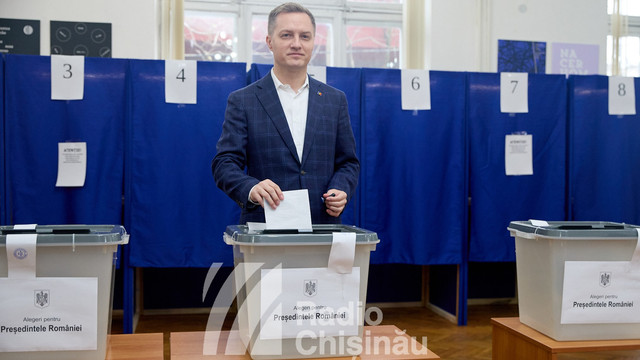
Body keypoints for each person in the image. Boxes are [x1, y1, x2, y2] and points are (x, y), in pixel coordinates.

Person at [212, 2, 359, 225]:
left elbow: (348, 163)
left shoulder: (334, 100)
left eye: (305, 36)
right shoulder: (243, 100)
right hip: (264, 226)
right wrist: (251, 188)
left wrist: (341, 188)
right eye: (287, 35)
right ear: (270, 42)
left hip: (323, 226)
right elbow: (224, 163)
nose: (296, 44)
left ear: (313, 43)